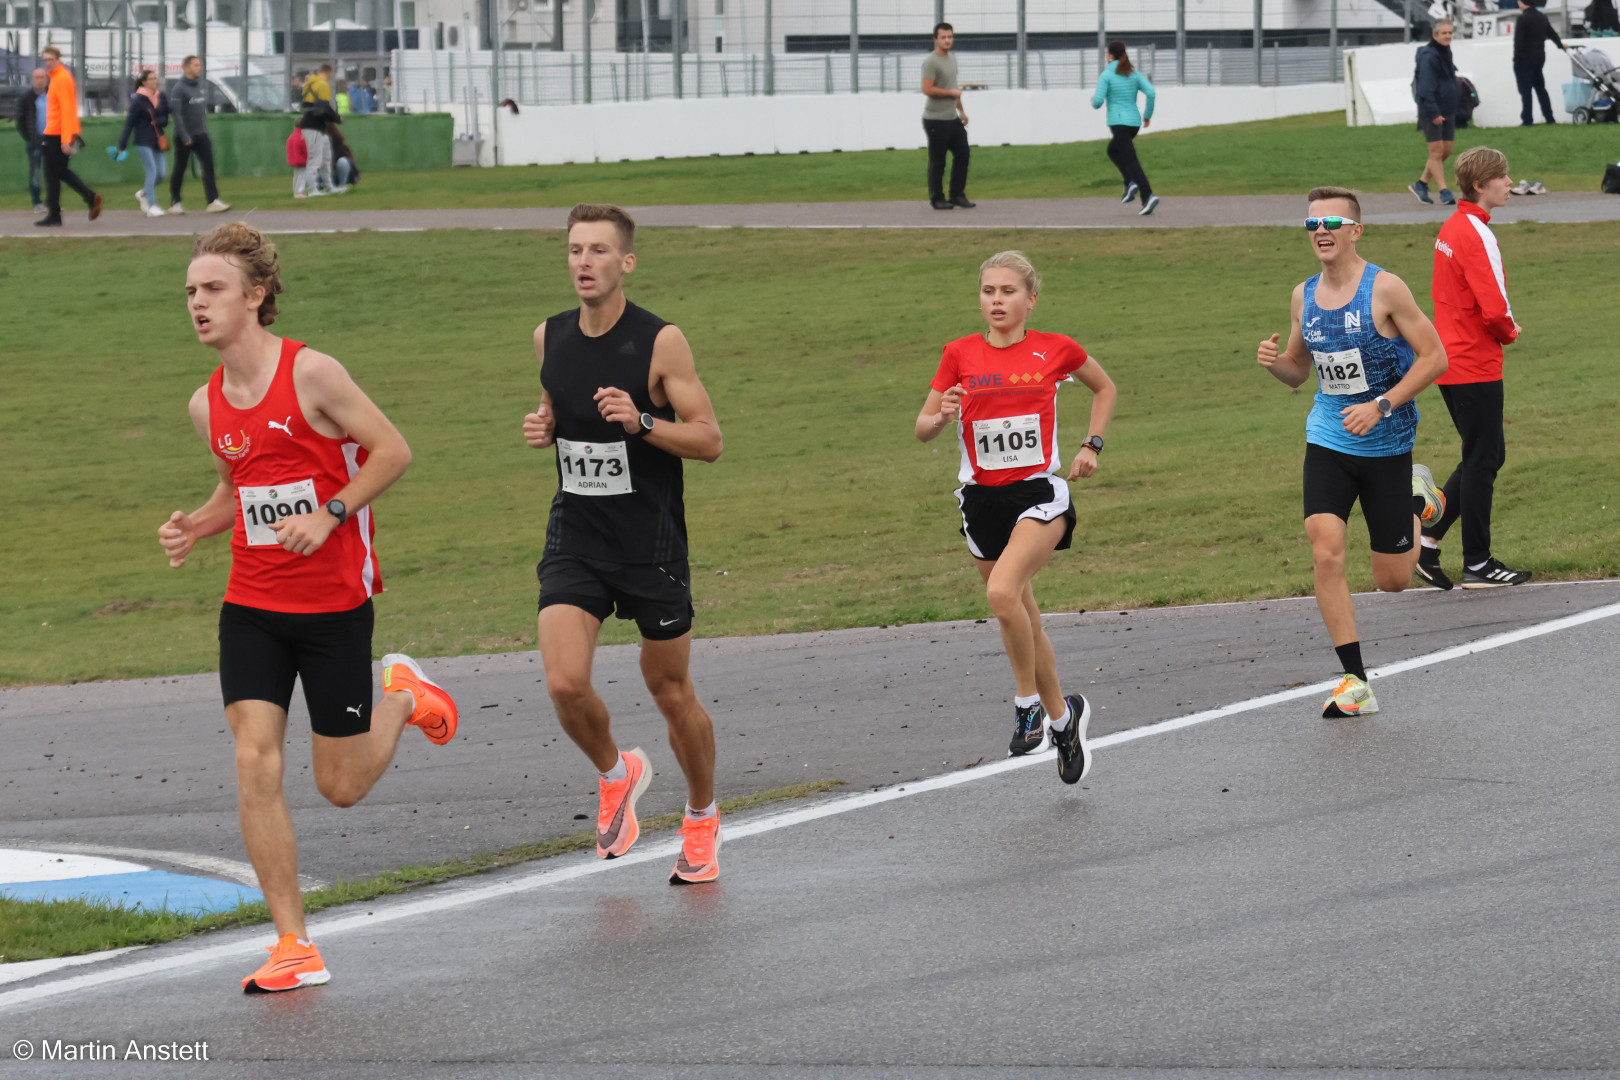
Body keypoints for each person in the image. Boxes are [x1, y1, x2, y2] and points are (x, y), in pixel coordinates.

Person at [157, 223, 459, 993]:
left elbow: (393, 450)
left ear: (255, 298)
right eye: (191, 291)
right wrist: (197, 522)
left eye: (213, 289)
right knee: (254, 763)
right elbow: (242, 485)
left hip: (332, 606)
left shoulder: (314, 374)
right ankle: (294, 943)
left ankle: (405, 696)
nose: (197, 303)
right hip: (251, 604)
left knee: (341, 786)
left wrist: (330, 512)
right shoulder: (205, 405)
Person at [521, 204, 726, 885]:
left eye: (599, 251)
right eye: (575, 249)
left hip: (650, 543)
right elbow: (564, 410)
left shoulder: (660, 342)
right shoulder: (548, 338)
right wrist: (546, 426)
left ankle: (700, 816)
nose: (584, 262)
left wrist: (641, 422)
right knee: (562, 681)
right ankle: (618, 773)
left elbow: (709, 440)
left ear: (626, 262)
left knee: (668, 690)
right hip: (576, 533)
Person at [914, 250, 1115, 782]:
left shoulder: (1055, 349)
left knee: (1002, 594)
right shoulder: (958, 353)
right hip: (980, 499)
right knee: (1024, 617)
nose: (996, 300)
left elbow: (1105, 387)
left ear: (1031, 298)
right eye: (988, 292)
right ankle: (1062, 718)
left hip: (1039, 493)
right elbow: (923, 426)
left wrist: (1091, 444)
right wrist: (942, 414)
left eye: (1007, 291)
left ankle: (1026, 702)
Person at [1256, 187, 1449, 719]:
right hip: (1329, 435)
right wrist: (1274, 362)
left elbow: (1435, 358)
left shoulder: (1385, 289)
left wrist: (1382, 405)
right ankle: (1354, 680)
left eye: (1333, 222)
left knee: (1393, 580)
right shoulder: (1303, 295)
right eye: (1312, 223)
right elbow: (1299, 371)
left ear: (1356, 230)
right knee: (1325, 547)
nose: (1321, 230)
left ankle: (1417, 497)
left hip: (1387, 440)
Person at [1417, 147, 1532, 590]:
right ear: (1481, 186)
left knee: (1483, 455)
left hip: (1450, 358)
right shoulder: (1476, 234)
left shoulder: (1452, 226)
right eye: (1502, 177)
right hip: (1472, 361)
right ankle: (1478, 563)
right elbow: (1494, 304)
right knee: (1484, 459)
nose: (1509, 183)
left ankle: (1428, 542)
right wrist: (1510, 331)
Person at [1091, 41, 1160, 216]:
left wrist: (1093, 99)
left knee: (1130, 160)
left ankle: (1148, 195)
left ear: (1110, 55)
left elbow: (1098, 103)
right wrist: (1147, 115)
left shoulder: (1106, 75)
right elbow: (1151, 92)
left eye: (1107, 53)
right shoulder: (1133, 73)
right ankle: (1130, 183)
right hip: (1134, 124)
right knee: (1113, 150)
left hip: (1118, 123)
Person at [36, 46, 101, 228]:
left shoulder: (62, 78)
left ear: (58, 59)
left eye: (51, 59)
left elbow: (67, 110)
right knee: (59, 173)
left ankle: (57, 214)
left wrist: (66, 139)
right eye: (46, 60)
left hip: (57, 134)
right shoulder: (57, 78)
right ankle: (88, 198)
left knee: (53, 175)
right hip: (54, 132)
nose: (48, 63)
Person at [921, 22, 973, 212]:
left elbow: (954, 89)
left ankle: (957, 195)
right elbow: (927, 89)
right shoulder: (931, 62)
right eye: (943, 37)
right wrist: (950, 92)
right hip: (935, 119)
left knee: (963, 154)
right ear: (935, 39)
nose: (947, 40)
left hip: (952, 118)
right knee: (938, 161)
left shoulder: (952, 59)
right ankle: (937, 199)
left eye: (950, 36)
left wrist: (961, 111)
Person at [168, 55, 230, 214]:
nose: (199, 68)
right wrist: (184, 135)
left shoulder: (200, 86)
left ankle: (213, 201)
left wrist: (203, 130)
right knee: (180, 169)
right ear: (186, 67)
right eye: (195, 65)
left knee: (208, 166)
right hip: (185, 136)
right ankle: (175, 202)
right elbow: (177, 114)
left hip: (201, 134)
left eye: (199, 65)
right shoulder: (179, 88)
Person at [1410, 20, 1459, 206]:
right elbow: (1425, 87)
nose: (1447, 36)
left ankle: (1421, 184)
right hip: (1432, 110)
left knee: (1446, 151)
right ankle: (1444, 190)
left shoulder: (1446, 52)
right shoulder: (1429, 56)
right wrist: (1433, 111)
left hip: (1448, 108)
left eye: (1450, 33)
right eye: (1444, 33)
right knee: (1436, 151)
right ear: (1435, 35)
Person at [112, 70, 170, 217]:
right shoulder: (138, 100)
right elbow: (129, 123)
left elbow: (165, 117)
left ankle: (144, 193)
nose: (154, 81)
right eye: (151, 79)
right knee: (152, 171)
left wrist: (157, 121)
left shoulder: (161, 96)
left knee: (161, 173)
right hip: (143, 140)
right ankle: (151, 205)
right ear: (144, 82)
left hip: (157, 139)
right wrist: (122, 145)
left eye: (155, 78)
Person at [1514, 0, 1567, 126]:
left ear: (1523, 3)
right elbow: (1552, 33)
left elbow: (1518, 41)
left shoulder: (1522, 19)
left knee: (1526, 91)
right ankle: (1549, 117)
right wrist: (1560, 45)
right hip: (1539, 57)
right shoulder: (1542, 17)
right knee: (1540, 88)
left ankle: (1527, 119)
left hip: (1524, 58)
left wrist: (1517, 58)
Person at [299, 67, 338, 195]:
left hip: (315, 126)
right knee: (315, 159)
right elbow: (324, 107)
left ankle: (328, 186)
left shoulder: (309, 84)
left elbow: (309, 106)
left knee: (326, 157)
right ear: (329, 73)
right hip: (314, 127)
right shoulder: (323, 84)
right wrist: (336, 118)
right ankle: (312, 189)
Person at [16, 68, 48, 213]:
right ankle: (37, 202)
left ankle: (51, 202)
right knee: (35, 171)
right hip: (35, 141)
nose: (40, 80)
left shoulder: (52, 95)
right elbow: (20, 121)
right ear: (32, 79)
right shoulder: (26, 98)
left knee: (52, 172)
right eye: (37, 77)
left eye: (42, 77)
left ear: (46, 79)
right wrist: (29, 137)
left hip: (51, 139)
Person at [329, 121, 359, 192]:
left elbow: (351, 161)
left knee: (342, 161)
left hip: (337, 173)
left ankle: (342, 185)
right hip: (324, 176)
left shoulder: (340, 145)